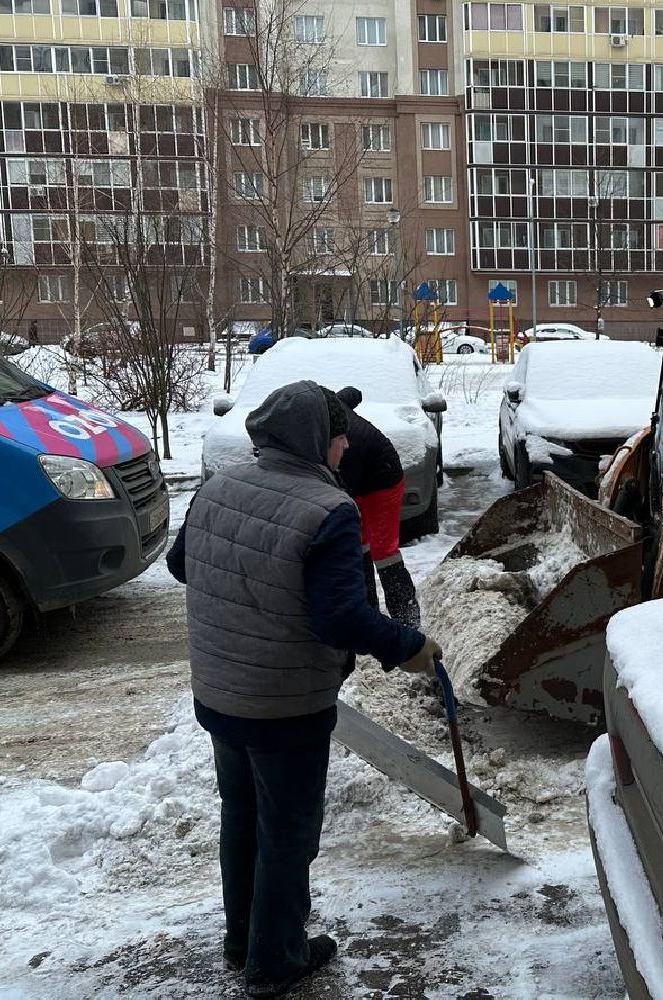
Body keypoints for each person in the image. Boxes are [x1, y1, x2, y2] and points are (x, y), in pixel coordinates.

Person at [166, 380, 439, 997]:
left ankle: (245, 938)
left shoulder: (217, 486)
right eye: (341, 438)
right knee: (288, 832)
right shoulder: (327, 509)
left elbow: (182, 564)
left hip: (219, 690)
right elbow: (340, 618)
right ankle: (276, 959)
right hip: (284, 703)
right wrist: (408, 646)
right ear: (321, 439)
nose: (344, 450)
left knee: (242, 818)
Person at [334, 385, 419, 626]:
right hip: (354, 478)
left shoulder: (341, 442)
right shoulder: (328, 405)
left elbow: (336, 491)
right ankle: (368, 612)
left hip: (383, 480)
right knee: (356, 544)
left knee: (384, 551)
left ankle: (407, 619)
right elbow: (353, 393)